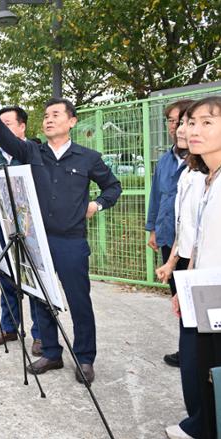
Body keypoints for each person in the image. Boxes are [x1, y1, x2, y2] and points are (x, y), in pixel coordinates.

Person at [0, 98, 122, 384]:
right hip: (37, 240)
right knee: (40, 296)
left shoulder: (88, 158)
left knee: (78, 300)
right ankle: (52, 353)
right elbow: (10, 143)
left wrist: (97, 205)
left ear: (72, 121)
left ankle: (84, 358)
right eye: (45, 116)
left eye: (55, 115)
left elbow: (113, 186)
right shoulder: (33, 151)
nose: (48, 120)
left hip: (71, 241)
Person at [167, 96, 221, 439]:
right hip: (204, 289)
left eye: (207, 122)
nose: (192, 130)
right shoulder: (207, 179)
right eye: (190, 122)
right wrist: (185, 288)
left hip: (215, 293)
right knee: (202, 367)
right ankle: (203, 425)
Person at [154, 103, 206, 439]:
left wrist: (182, 270)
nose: (185, 129)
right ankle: (199, 419)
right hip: (190, 268)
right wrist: (174, 265)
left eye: (201, 122)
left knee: (200, 352)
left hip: (203, 275)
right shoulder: (188, 171)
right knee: (194, 351)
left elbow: (197, 233)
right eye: (182, 123)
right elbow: (183, 225)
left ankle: (201, 422)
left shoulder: (206, 176)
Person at [0, 105, 42, 357]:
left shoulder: (33, 152)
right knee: (5, 275)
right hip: (1, 224)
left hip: (28, 227)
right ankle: (10, 327)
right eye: (1, 124)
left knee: (32, 278)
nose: (3, 129)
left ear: (22, 127)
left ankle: (41, 335)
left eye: (8, 124)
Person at [146, 99, 195, 367]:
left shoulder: (200, 163)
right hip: (169, 238)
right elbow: (156, 194)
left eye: (183, 121)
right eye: (172, 121)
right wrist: (152, 227)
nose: (177, 127)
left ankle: (196, 351)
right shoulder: (165, 160)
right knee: (179, 295)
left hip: (195, 245)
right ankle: (186, 348)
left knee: (195, 298)